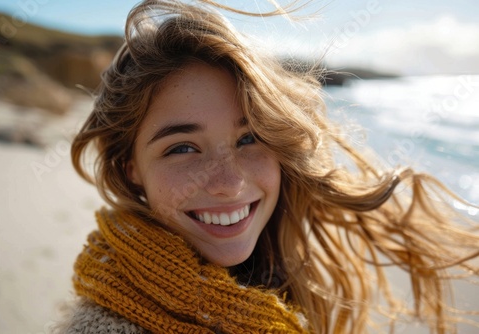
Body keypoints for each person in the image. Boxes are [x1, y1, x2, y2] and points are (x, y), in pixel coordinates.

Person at [54, 0, 479, 333]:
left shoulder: (276, 280)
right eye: (183, 148)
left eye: (249, 138)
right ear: (130, 168)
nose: (228, 182)